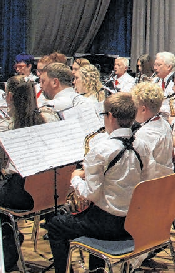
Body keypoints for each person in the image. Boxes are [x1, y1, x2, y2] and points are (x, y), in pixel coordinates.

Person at [45, 93, 143, 273]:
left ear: (111, 116)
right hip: (133, 222)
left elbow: (90, 194)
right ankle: (96, 269)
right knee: (93, 213)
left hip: (108, 225)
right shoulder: (142, 144)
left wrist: (75, 177)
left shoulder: (101, 149)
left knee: (55, 225)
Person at [0, 75, 59, 270]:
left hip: (21, 193)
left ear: (10, 96)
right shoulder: (50, 118)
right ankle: (11, 235)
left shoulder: (6, 126)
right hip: (49, 192)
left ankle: (9, 240)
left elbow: (5, 162)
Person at [131, 82, 174, 181]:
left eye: (134, 107)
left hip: (151, 188)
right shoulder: (164, 123)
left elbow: (136, 169)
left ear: (143, 109)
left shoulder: (144, 134)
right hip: (165, 182)